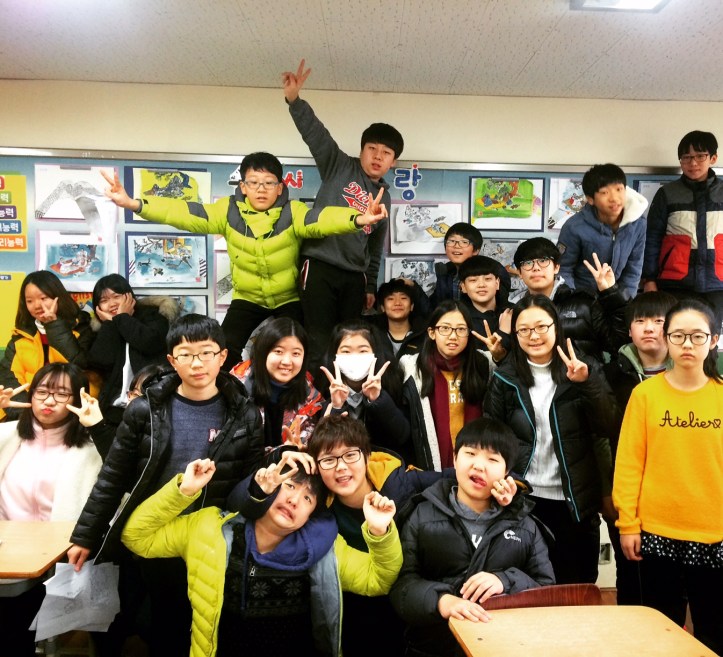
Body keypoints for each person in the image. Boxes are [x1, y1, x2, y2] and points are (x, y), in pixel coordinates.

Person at [67, 314, 264, 657]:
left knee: (211, 624)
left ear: (222, 356)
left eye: (206, 353)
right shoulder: (145, 410)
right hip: (153, 532)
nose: (197, 363)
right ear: (172, 360)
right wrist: (85, 535)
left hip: (211, 537)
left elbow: (247, 481)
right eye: (186, 354)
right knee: (163, 624)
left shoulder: (244, 413)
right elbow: (113, 476)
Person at [230, 416, 506, 657]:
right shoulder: (316, 504)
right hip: (351, 612)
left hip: (409, 602)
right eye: (329, 459)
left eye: (350, 455)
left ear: (367, 456)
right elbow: (238, 503)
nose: (341, 467)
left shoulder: (401, 483)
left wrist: (510, 485)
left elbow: (456, 476)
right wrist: (281, 456)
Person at [99, 156, 388, 367]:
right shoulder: (227, 211)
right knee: (223, 350)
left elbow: (323, 219)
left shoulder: (294, 212)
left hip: (288, 298)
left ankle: (302, 401)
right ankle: (229, 400)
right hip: (248, 298)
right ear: (243, 186)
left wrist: (359, 218)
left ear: (280, 187)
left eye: (269, 183)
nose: (261, 189)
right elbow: (184, 213)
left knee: (303, 347)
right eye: (254, 182)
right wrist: (135, 204)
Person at [121, 455, 402, 657]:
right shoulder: (210, 527)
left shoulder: (324, 549)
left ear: (312, 515)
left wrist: (380, 532)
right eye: (289, 486)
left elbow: (378, 580)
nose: (294, 500)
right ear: (268, 484)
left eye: (308, 498)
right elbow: (136, 537)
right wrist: (184, 491)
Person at [389, 417, 555, 657]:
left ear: (507, 472)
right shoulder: (421, 514)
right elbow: (402, 587)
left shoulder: (524, 525)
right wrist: (441, 601)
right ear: (455, 459)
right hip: (433, 647)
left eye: (492, 459)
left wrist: (505, 580)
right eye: (470, 454)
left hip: (503, 647)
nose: (479, 466)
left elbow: (546, 589)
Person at [282, 60, 404, 377]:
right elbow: (315, 134)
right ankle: (317, 400)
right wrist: (294, 100)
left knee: (350, 343)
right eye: (372, 148)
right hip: (319, 266)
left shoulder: (385, 197)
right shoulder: (338, 165)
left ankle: (347, 398)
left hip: (354, 276)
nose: (378, 156)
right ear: (361, 150)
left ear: (393, 161)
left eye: (386, 153)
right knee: (318, 339)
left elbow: (375, 247)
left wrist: (370, 285)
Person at [613, 299, 722, 654]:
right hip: (657, 532)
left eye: (697, 336)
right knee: (660, 632)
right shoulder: (645, 395)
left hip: (715, 534)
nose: (687, 344)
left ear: (714, 340)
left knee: (715, 630)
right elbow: (629, 463)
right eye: (678, 335)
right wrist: (628, 524)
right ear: (667, 338)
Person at [485, 294, 617, 584]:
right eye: (524, 330)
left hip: (574, 500)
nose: (534, 336)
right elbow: (492, 439)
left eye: (541, 327)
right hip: (523, 500)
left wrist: (587, 384)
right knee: (527, 587)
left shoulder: (584, 367)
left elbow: (608, 424)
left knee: (577, 586)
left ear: (556, 326)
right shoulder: (505, 378)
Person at [0, 363, 103, 656]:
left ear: (78, 399)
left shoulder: (92, 447)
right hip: (8, 554)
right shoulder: (6, 434)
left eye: (61, 394)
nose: (49, 401)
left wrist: (99, 428)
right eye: (42, 392)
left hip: (61, 556)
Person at [602, 291, 677, 605]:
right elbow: (601, 437)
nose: (649, 328)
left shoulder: (692, 375)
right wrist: (607, 491)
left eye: (658, 321)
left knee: (672, 584)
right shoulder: (610, 375)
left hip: (674, 498)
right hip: (624, 493)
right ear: (629, 330)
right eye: (640, 321)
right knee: (630, 575)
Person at [642, 130, 723, 334]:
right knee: (674, 337)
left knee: (708, 339)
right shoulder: (667, 194)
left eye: (700, 156)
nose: (693, 163)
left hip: (718, 284)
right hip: (675, 284)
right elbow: (652, 238)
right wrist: (649, 279)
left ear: (713, 158)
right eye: (686, 157)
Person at [400, 300, 491, 470]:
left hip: (476, 463)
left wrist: (500, 356)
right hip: (429, 465)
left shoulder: (484, 364)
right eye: (445, 328)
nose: (453, 336)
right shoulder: (411, 367)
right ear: (432, 333)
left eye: (461, 329)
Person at [509, 237, 629, 362]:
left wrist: (612, 293)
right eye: (528, 263)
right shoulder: (512, 311)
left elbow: (620, 344)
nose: (536, 268)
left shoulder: (584, 304)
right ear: (519, 273)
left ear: (556, 267)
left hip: (585, 374)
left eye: (543, 260)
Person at [0, 270, 95, 422]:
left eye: (43, 298)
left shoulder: (81, 329)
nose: (37, 305)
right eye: (29, 301)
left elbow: (81, 366)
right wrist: (28, 412)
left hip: (70, 414)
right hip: (26, 414)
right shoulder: (20, 336)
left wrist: (54, 325)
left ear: (58, 297)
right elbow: (8, 377)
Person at [88, 274, 178, 427]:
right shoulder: (104, 328)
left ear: (129, 296)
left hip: (152, 405)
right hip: (115, 408)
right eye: (104, 300)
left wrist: (122, 318)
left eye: (116, 296)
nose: (111, 304)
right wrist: (110, 325)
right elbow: (101, 360)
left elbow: (149, 343)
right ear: (98, 307)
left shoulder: (153, 315)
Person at [319, 320, 411, 463]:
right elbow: (322, 446)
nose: (354, 357)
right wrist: (336, 407)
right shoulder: (322, 389)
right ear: (334, 355)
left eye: (363, 351)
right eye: (346, 351)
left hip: (384, 466)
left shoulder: (391, 382)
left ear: (375, 353)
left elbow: (402, 436)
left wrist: (378, 399)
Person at [229, 317, 325, 451]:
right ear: (263, 352)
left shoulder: (308, 392)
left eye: (296, 353)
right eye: (278, 351)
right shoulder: (236, 388)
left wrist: (336, 408)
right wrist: (281, 453)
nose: (287, 361)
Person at [557, 163, 648, 299]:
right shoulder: (574, 227)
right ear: (590, 199)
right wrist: (573, 303)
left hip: (616, 297)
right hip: (582, 298)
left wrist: (625, 302)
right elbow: (564, 269)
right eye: (604, 192)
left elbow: (633, 269)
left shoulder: (638, 223)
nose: (614, 198)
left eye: (619, 189)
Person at [458, 254, 514, 357]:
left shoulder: (514, 312)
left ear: (497, 283)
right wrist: (503, 333)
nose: (481, 285)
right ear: (463, 287)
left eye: (487, 279)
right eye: (473, 280)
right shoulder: (458, 318)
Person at [366, 278, 427, 359]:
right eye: (391, 299)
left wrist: (414, 286)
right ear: (383, 307)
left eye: (403, 298)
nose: (397, 303)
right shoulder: (372, 335)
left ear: (411, 306)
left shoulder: (424, 336)